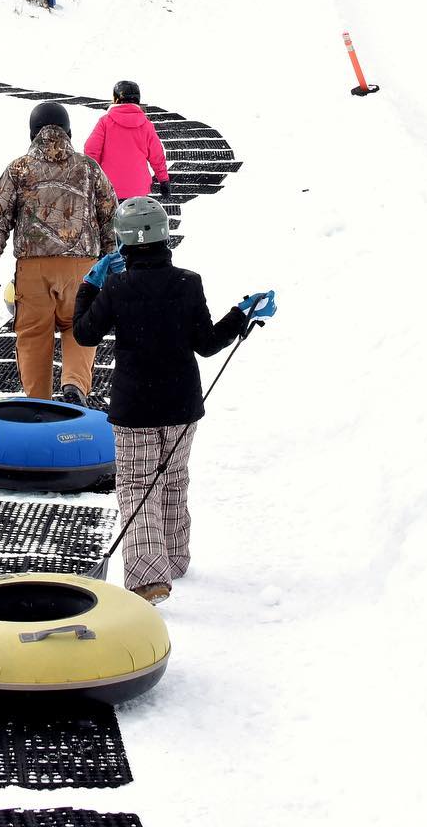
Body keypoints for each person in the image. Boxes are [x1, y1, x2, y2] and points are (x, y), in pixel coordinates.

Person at [73, 196, 276, 604]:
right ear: (164, 236)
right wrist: (241, 314)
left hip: (135, 408)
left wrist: (90, 285)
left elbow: (84, 333)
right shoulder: (188, 282)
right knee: (173, 479)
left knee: (137, 484)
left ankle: (149, 576)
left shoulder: (116, 286)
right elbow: (207, 343)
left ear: (123, 242)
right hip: (181, 405)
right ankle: (175, 558)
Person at [0, 101, 118, 406]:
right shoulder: (89, 168)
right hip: (82, 268)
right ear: (69, 132)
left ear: (32, 133)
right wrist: (111, 259)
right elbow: (110, 214)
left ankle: (38, 401)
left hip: (33, 268)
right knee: (79, 326)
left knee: (33, 333)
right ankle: (74, 386)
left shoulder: (18, 169)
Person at [84, 79, 170, 204]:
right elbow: (157, 155)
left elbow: (91, 151)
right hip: (139, 189)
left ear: (116, 99)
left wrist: (91, 179)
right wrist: (164, 180)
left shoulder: (105, 122)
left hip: (110, 188)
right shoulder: (146, 125)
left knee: (111, 216)